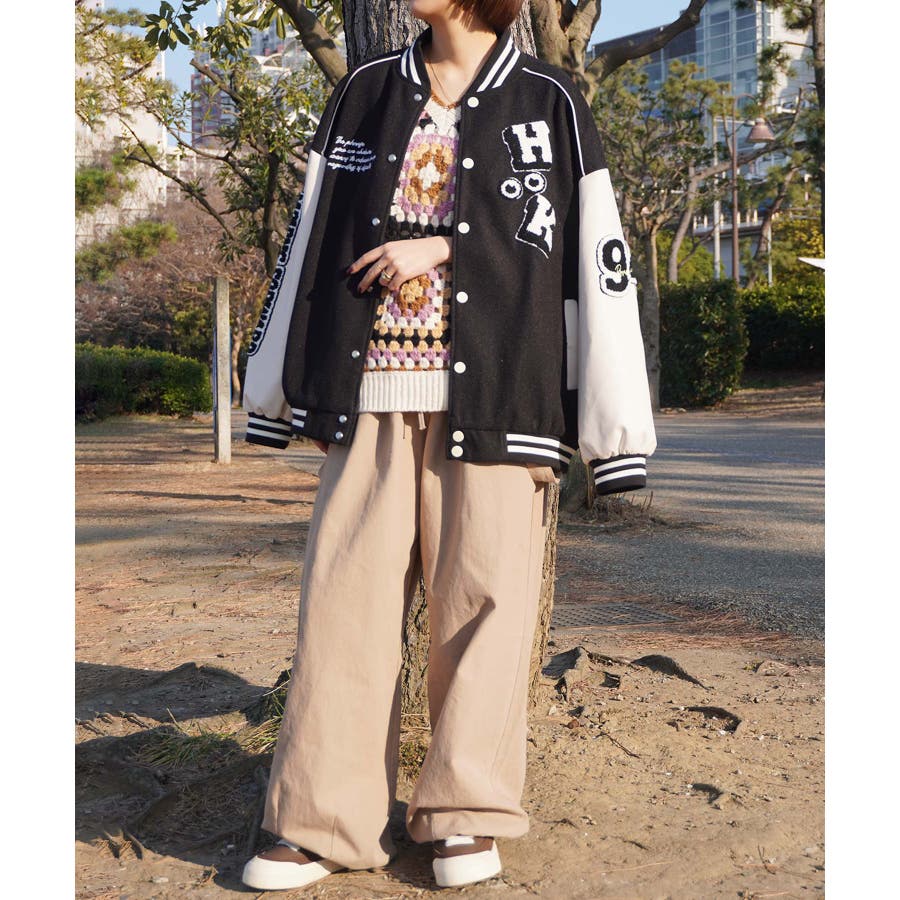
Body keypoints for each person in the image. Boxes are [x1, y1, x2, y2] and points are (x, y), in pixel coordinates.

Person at [241, 0, 657, 891]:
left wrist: (613, 429)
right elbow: (309, 236)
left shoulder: (548, 100)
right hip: (370, 398)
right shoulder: (363, 93)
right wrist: (273, 387)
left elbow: (593, 257)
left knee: (484, 609)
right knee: (344, 609)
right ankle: (320, 819)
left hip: (504, 398)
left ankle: (467, 812)